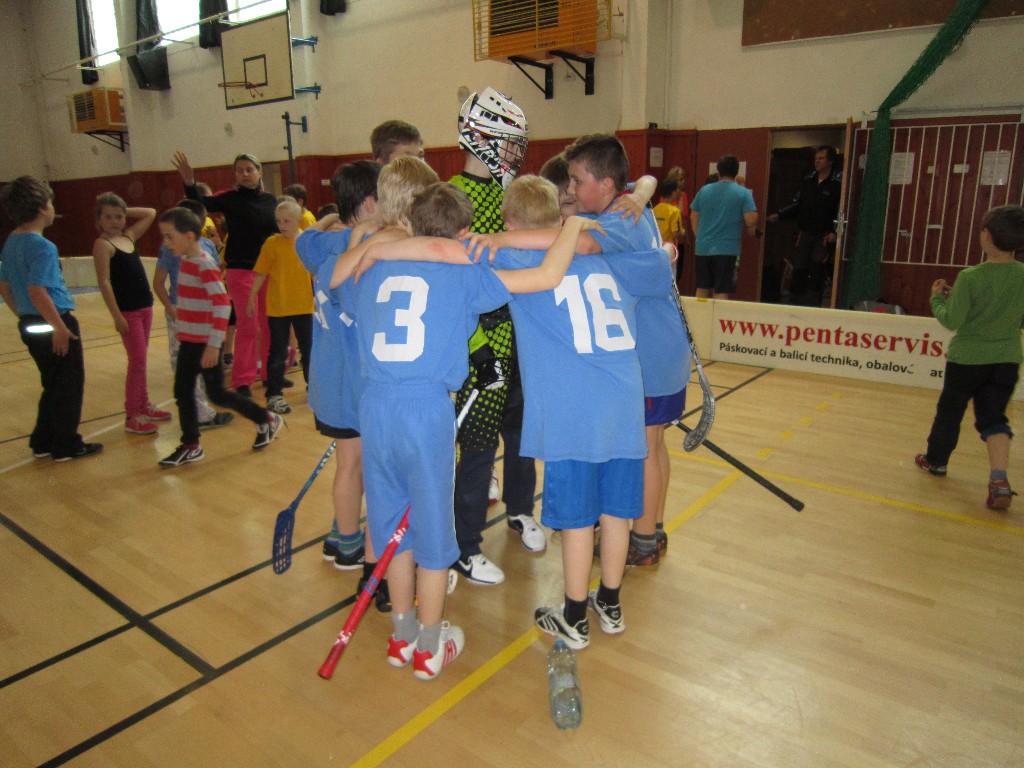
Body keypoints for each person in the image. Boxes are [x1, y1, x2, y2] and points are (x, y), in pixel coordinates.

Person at [340, 160, 595, 679]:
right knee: (434, 535)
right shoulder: (463, 274)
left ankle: (402, 635)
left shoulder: (369, 267)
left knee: (391, 530)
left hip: (375, 409)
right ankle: (430, 645)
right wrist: (572, 227)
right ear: (462, 232)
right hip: (425, 410)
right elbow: (546, 275)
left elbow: (342, 278)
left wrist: (376, 246)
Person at [484, 174, 671, 648]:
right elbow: (662, 259)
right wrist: (663, 245)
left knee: (575, 520)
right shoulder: (612, 257)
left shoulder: (514, 257)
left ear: (511, 224)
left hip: (571, 412)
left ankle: (573, 616)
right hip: (623, 404)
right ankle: (609, 603)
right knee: (615, 513)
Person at [447, 87, 541, 584]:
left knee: (522, 435)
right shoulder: (450, 198)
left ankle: (521, 509)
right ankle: (465, 545)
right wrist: (479, 349)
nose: (514, 154)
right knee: (478, 449)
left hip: (518, 336)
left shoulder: (510, 194)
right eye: (508, 143)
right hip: (478, 346)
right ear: (480, 137)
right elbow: (450, 285)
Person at [296, 160, 390, 610]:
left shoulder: (319, 243)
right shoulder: (370, 250)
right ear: (370, 203)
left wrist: (333, 216)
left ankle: (343, 534)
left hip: (327, 380)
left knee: (347, 463)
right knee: (360, 466)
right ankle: (356, 543)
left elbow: (303, 238)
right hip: (355, 382)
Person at [915, 205, 1024, 510]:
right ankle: (999, 479)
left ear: (985, 235)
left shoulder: (971, 277)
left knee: (950, 412)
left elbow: (952, 319)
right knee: (994, 418)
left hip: (967, 361)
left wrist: (937, 298)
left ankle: (936, 461)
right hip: (1006, 359)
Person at [156, 207, 282, 468]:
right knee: (183, 391)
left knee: (218, 395)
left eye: (170, 237)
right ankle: (191, 445)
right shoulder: (185, 261)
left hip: (205, 345)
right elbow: (193, 302)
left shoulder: (204, 264)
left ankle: (266, 419)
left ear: (189, 236)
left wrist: (214, 345)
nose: (166, 243)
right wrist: (183, 327)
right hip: (189, 342)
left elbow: (223, 304)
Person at [0, 176, 102, 462]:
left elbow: (5, 286)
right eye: (50, 202)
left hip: (30, 323)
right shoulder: (43, 246)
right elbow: (37, 290)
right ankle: (65, 444)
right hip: (54, 322)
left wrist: (23, 315)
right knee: (69, 385)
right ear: (43, 209)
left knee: (53, 383)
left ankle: (43, 440)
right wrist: (58, 326)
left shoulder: (12, 242)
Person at [173, 151, 278, 398]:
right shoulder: (230, 198)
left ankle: (269, 375)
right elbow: (201, 203)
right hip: (241, 271)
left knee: (269, 325)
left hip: (267, 272)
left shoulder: (270, 201)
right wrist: (189, 181)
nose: (245, 174)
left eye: (249, 169)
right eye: (239, 170)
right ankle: (242, 380)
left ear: (259, 172)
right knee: (249, 326)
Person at [152, 198, 234, 432]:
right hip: (181, 315)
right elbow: (158, 282)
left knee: (203, 368)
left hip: (203, 319)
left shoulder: (206, 247)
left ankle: (201, 413)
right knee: (183, 368)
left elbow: (216, 278)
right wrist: (173, 310)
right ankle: (199, 416)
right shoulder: (170, 250)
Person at [91, 193, 166, 436]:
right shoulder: (103, 245)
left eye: (118, 217)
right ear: (99, 220)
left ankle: (144, 404)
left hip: (145, 306)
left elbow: (151, 213)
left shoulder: (128, 236)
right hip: (128, 312)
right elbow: (104, 282)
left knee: (141, 360)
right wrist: (117, 316)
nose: (114, 221)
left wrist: (124, 209)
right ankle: (133, 414)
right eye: (108, 217)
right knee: (137, 361)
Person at [247, 198, 313, 415]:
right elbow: (261, 273)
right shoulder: (271, 244)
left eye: (287, 221)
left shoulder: (306, 241)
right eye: (279, 221)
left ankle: (314, 389)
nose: (282, 225)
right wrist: (251, 297)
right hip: (279, 307)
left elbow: (315, 272)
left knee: (309, 349)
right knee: (277, 351)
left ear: (298, 220)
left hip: (304, 306)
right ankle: (274, 394)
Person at [767, 145, 841, 307]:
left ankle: (813, 306)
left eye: (821, 158)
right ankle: (796, 304)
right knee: (799, 269)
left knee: (817, 270)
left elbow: (840, 210)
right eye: (816, 159)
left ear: (830, 161)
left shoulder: (837, 183)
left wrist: (835, 232)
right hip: (805, 232)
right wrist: (780, 215)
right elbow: (797, 204)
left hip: (823, 235)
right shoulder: (808, 180)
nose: (817, 161)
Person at [690, 155, 758, 300]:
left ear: (718, 171)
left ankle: (700, 315)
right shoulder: (743, 193)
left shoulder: (704, 190)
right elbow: (750, 221)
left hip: (703, 247)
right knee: (721, 290)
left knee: (702, 288)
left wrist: (699, 236)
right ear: (736, 172)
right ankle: (717, 316)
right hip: (728, 249)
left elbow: (693, 216)